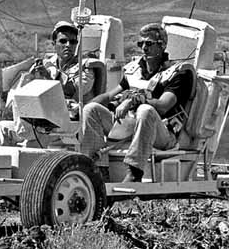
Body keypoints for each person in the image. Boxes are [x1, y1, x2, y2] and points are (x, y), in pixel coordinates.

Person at [80, 23, 193, 182]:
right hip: (131, 126)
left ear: (162, 46)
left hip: (162, 133)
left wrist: (134, 100)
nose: (144, 48)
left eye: (149, 44)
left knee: (145, 110)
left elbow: (163, 106)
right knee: (91, 110)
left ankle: (135, 171)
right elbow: (109, 96)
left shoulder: (176, 74)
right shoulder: (135, 71)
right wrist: (83, 106)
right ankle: (96, 169)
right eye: (141, 44)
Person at [0, 21, 96, 148]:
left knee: (35, 138)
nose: (68, 45)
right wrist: (30, 77)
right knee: (0, 128)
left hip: (67, 125)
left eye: (73, 42)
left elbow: (74, 90)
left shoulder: (85, 68)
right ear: (54, 44)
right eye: (63, 41)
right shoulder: (46, 64)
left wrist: (48, 77)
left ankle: (28, 163)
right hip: (40, 121)